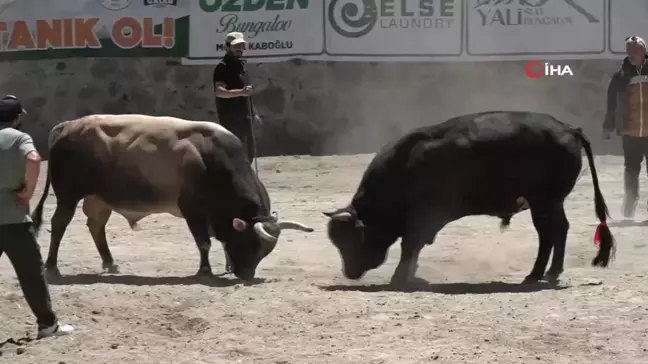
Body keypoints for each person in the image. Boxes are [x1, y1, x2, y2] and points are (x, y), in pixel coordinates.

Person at [0, 95, 74, 339]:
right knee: (31, 274)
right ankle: (47, 325)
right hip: (14, 222)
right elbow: (33, 158)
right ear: (17, 118)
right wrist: (28, 192)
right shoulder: (19, 138)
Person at [603, 36, 648, 218]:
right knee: (631, 167)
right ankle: (630, 201)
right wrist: (608, 126)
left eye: (635, 51)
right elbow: (611, 103)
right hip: (630, 130)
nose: (631, 55)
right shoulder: (621, 76)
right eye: (628, 52)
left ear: (643, 52)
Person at [212, 31, 262, 164]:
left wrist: (254, 113)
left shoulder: (242, 66)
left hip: (246, 118)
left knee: (248, 154)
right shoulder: (222, 68)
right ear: (227, 47)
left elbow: (247, 93)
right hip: (230, 119)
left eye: (241, 46)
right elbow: (219, 92)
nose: (240, 49)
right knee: (234, 156)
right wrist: (240, 92)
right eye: (236, 46)